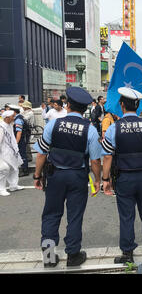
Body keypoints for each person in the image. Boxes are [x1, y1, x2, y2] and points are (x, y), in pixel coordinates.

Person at [33, 87, 102, 268]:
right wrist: (98, 180)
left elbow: (41, 154)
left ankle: (48, 257)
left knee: (51, 214)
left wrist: (37, 175)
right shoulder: (90, 130)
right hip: (78, 176)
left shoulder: (53, 125)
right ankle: (73, 255)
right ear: (84, 109)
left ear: (68, 105)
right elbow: (95, 160)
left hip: (55, 175)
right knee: (75, 215)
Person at [101, 87, 142, 265]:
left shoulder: (114, 128)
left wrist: (105, 180)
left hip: (124, 177)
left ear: (122, 105)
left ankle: (127, 253)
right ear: (138, 105)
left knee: (126, 215)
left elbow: (107, 156)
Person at [0, 110, 24, 196]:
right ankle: (1, 188)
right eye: (12, 116)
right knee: (4, 169)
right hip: (3, 152)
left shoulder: (9, 125)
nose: (14, 118)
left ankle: (13, 185)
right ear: (7, 118)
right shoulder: (1, 127)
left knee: (14, 168)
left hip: (11, 151)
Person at [8, 105, 29, 177]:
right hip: (22, 139)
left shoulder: (18, 120)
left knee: (22, 154)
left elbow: (19, 132)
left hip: (21, 140)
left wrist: (16, 142)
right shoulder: (19, 117)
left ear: (14, 112)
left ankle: (25, 170)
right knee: (22, 154)